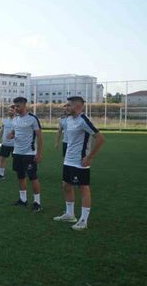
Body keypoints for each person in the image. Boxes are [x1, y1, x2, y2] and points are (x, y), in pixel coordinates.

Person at [53, 96, 105, 231]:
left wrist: (89, 157)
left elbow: (100, 138)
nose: (66, 107)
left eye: (69, 105)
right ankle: (70, 214)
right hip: (68, 160)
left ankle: (83, 220)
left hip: (80, 162)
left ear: (77, 106)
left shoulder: (83, 120)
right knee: (66, 185)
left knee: (83, 188)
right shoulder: (69, 120)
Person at [8, 97, 43, 212]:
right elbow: (15, 131)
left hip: (29, 153)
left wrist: (39, 153)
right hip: (17, 152)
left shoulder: (33, 118)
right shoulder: (15, 119)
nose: (16, 108)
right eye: (15, 106)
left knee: (33, 177)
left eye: (18, 106)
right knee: (20, 176)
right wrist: (12, 134)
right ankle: (23, 200)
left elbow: (39, 136)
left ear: (24, 105)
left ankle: (37, 202)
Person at [0, 105, 16, 180]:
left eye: (12, 110)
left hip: (15, 145)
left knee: (18, 160)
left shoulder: (18, 120)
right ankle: (1, 175)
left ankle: (23, 174)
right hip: (5, 144)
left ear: (15, 111)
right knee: (2, 159)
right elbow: (1, 131)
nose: (10, 112)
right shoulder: (5, 120)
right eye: (9, 110)